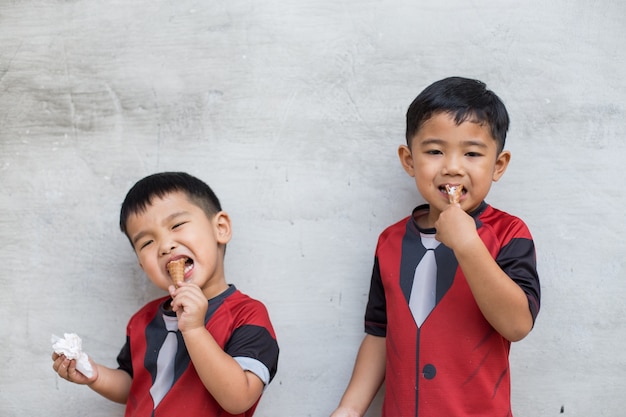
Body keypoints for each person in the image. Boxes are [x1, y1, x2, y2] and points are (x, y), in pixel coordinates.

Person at [330, 77, 540, 417]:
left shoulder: (509, 233)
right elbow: (379, 335)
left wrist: (468, 244)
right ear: (409, 160)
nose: (453, 167)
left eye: (472, 153)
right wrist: (350, 408)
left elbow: (517, 325)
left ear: (498, 165)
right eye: (434, 151)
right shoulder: (389, 242)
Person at [52, 172, 279, 417]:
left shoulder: (246, 314)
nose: (165, 246)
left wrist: (194, 329)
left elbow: (239, 398)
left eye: (177, 225)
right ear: (141, 264)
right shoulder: (142, 321)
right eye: (147, 243)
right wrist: (94, 375)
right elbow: (136, 384)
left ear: (220, 228)